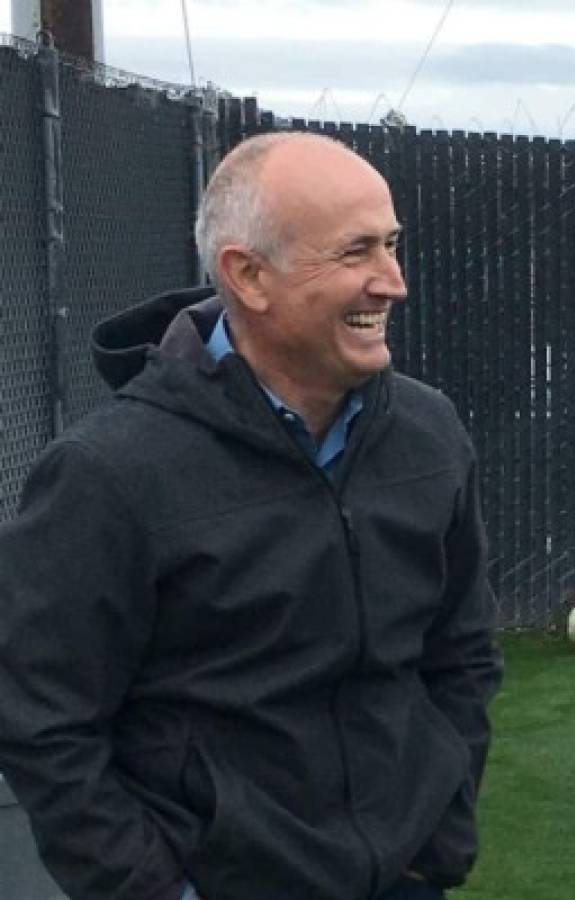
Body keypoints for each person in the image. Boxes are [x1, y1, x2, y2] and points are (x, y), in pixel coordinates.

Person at [0, 132, 503, 900]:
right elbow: (44, 723)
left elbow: (461, 653)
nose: (392, 282)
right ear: (248, 275)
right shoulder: (109, 474)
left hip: (404, 876)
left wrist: (437, 833)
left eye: (392, 245)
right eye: (355, 253)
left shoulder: (429, 434)